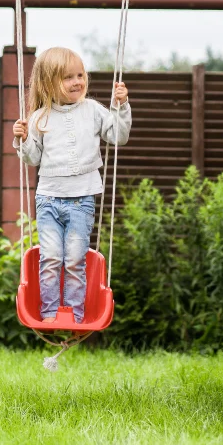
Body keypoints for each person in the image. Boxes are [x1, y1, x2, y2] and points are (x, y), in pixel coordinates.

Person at [12, 47, 131, 323]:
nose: (77, 81)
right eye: (68, 77)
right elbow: (33, 158)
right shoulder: (40, 117)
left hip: (82, 201)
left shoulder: (92, 110)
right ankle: (51, 313)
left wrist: (121, 107)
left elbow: (118, 136)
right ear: (48, 82)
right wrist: (22, 139)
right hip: (48, 200)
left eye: (80, 74)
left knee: (76, 260)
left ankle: (75, 315)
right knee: (51, 258)